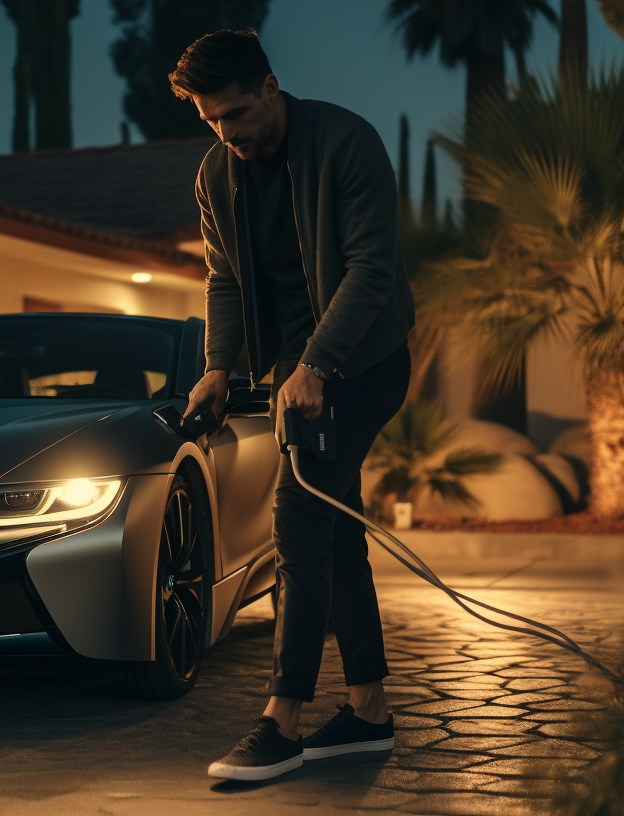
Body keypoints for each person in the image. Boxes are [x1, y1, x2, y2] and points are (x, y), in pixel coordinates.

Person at [174, 29, 415, 781]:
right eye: (212, 121)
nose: (227, 133)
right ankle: (369, 712)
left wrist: (316, 363)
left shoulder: (347, 143)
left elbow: (374, 268)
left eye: (238, 114)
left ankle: (283, 722)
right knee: (337, 533)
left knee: (299, 522)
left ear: (271, 88)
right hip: (295, 373)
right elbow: (223, 278)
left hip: (365, 361)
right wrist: (218, 367)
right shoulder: (218, 174)